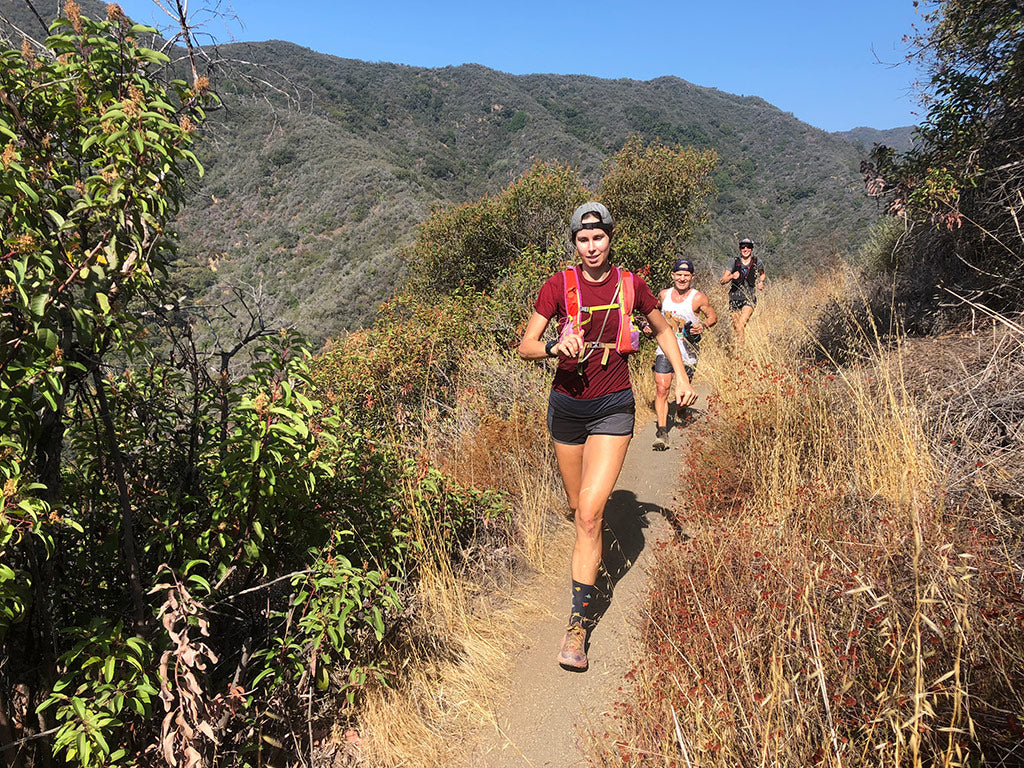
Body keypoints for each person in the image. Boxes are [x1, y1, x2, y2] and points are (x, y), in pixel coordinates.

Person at [518, 202, 698, 671]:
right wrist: (555, 345)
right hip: (567, 409)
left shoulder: (631, 285)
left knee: (590, 514)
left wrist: (680, 376)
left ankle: (577, 625)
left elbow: (663, 330)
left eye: (598, 238)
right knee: (579, 507)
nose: (592, 246)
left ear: (610, 239)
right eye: (583, 239)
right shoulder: (557, 286)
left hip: (613, 405)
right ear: (575, 243)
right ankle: (590, 541)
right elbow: (526, 346)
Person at [652, 258, 717, 450]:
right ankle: (662, 433)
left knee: (682, 395)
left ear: (692, 277)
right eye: (678, 275)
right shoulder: (664, 295)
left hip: (688, 352)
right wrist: (650, 326)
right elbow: (654, 312)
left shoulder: (698, 298)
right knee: (662, 388)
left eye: (686, 275)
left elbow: (712, 316)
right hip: (664, 350)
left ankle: (681, 410)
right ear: (672, 275)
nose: (682, 278)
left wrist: (702, 325)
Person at [720, 237, 765, 345]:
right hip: (734, 298)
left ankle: (741, 354)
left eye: (748, 247)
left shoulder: (757, 262)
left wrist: (761, 282)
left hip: (749, 298)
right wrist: (731, 276)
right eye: (743, 247)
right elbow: (722, 280)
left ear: (752, 249)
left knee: (740, 326)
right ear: (740, 249)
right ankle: (737, 348)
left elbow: (762, 274)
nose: (745, 249)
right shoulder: (733, 262)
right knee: (736, 327)